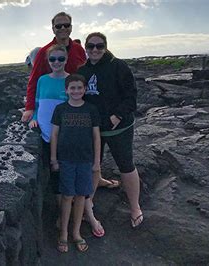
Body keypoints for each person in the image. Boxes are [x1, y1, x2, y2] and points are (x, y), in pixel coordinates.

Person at [21, 11, 120, 190]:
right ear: (53, 28)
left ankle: (95, 178)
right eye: (58, 26)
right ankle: (70, 189)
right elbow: (34, 81)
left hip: (82, 103)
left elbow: (89, 70)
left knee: (87, 143)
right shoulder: (46, 52)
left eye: (66, 25)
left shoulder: (78, 49)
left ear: (71, 27)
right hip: (62, 111)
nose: (63, 29)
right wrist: (30, 109)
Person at [77, 32, 143, 228]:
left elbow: (131, 97)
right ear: (86, 48)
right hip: (95, 129)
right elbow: (78, 96)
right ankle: (87, 205)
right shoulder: (83, 70)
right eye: (90, 46)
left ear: (105, 46)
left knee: (125, 164)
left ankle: (135, 207)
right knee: (92, 165)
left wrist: (117, 116)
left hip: (119, 127)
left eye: (99, 46)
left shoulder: (119, 66)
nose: (95, 50)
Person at [50, 74, 103, 253]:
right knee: (66, 196)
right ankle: (63, 233)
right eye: (72, 88)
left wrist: (96, 162)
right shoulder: (60, 109)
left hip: (85, 160)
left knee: (81, 196)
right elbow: (55, 135)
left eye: (79, 88)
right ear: (66, 90)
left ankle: (76, 232)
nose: (76, 91)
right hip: (65, 160)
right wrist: (53, 159)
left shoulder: (91, 110)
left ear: (85, 89)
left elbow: (96, 137)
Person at [28, 44, 69, 228]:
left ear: (66, 60)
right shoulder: (42, 80)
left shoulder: (71, 81)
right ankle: (62, 212)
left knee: (64, 175)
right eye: (53, 59)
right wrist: (34, 118)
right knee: (54, 175)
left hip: (64, 135)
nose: (56, 62)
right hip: (44, 133)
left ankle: (67, 214)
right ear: (47, 61)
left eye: (61, 59)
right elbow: (37, 103)